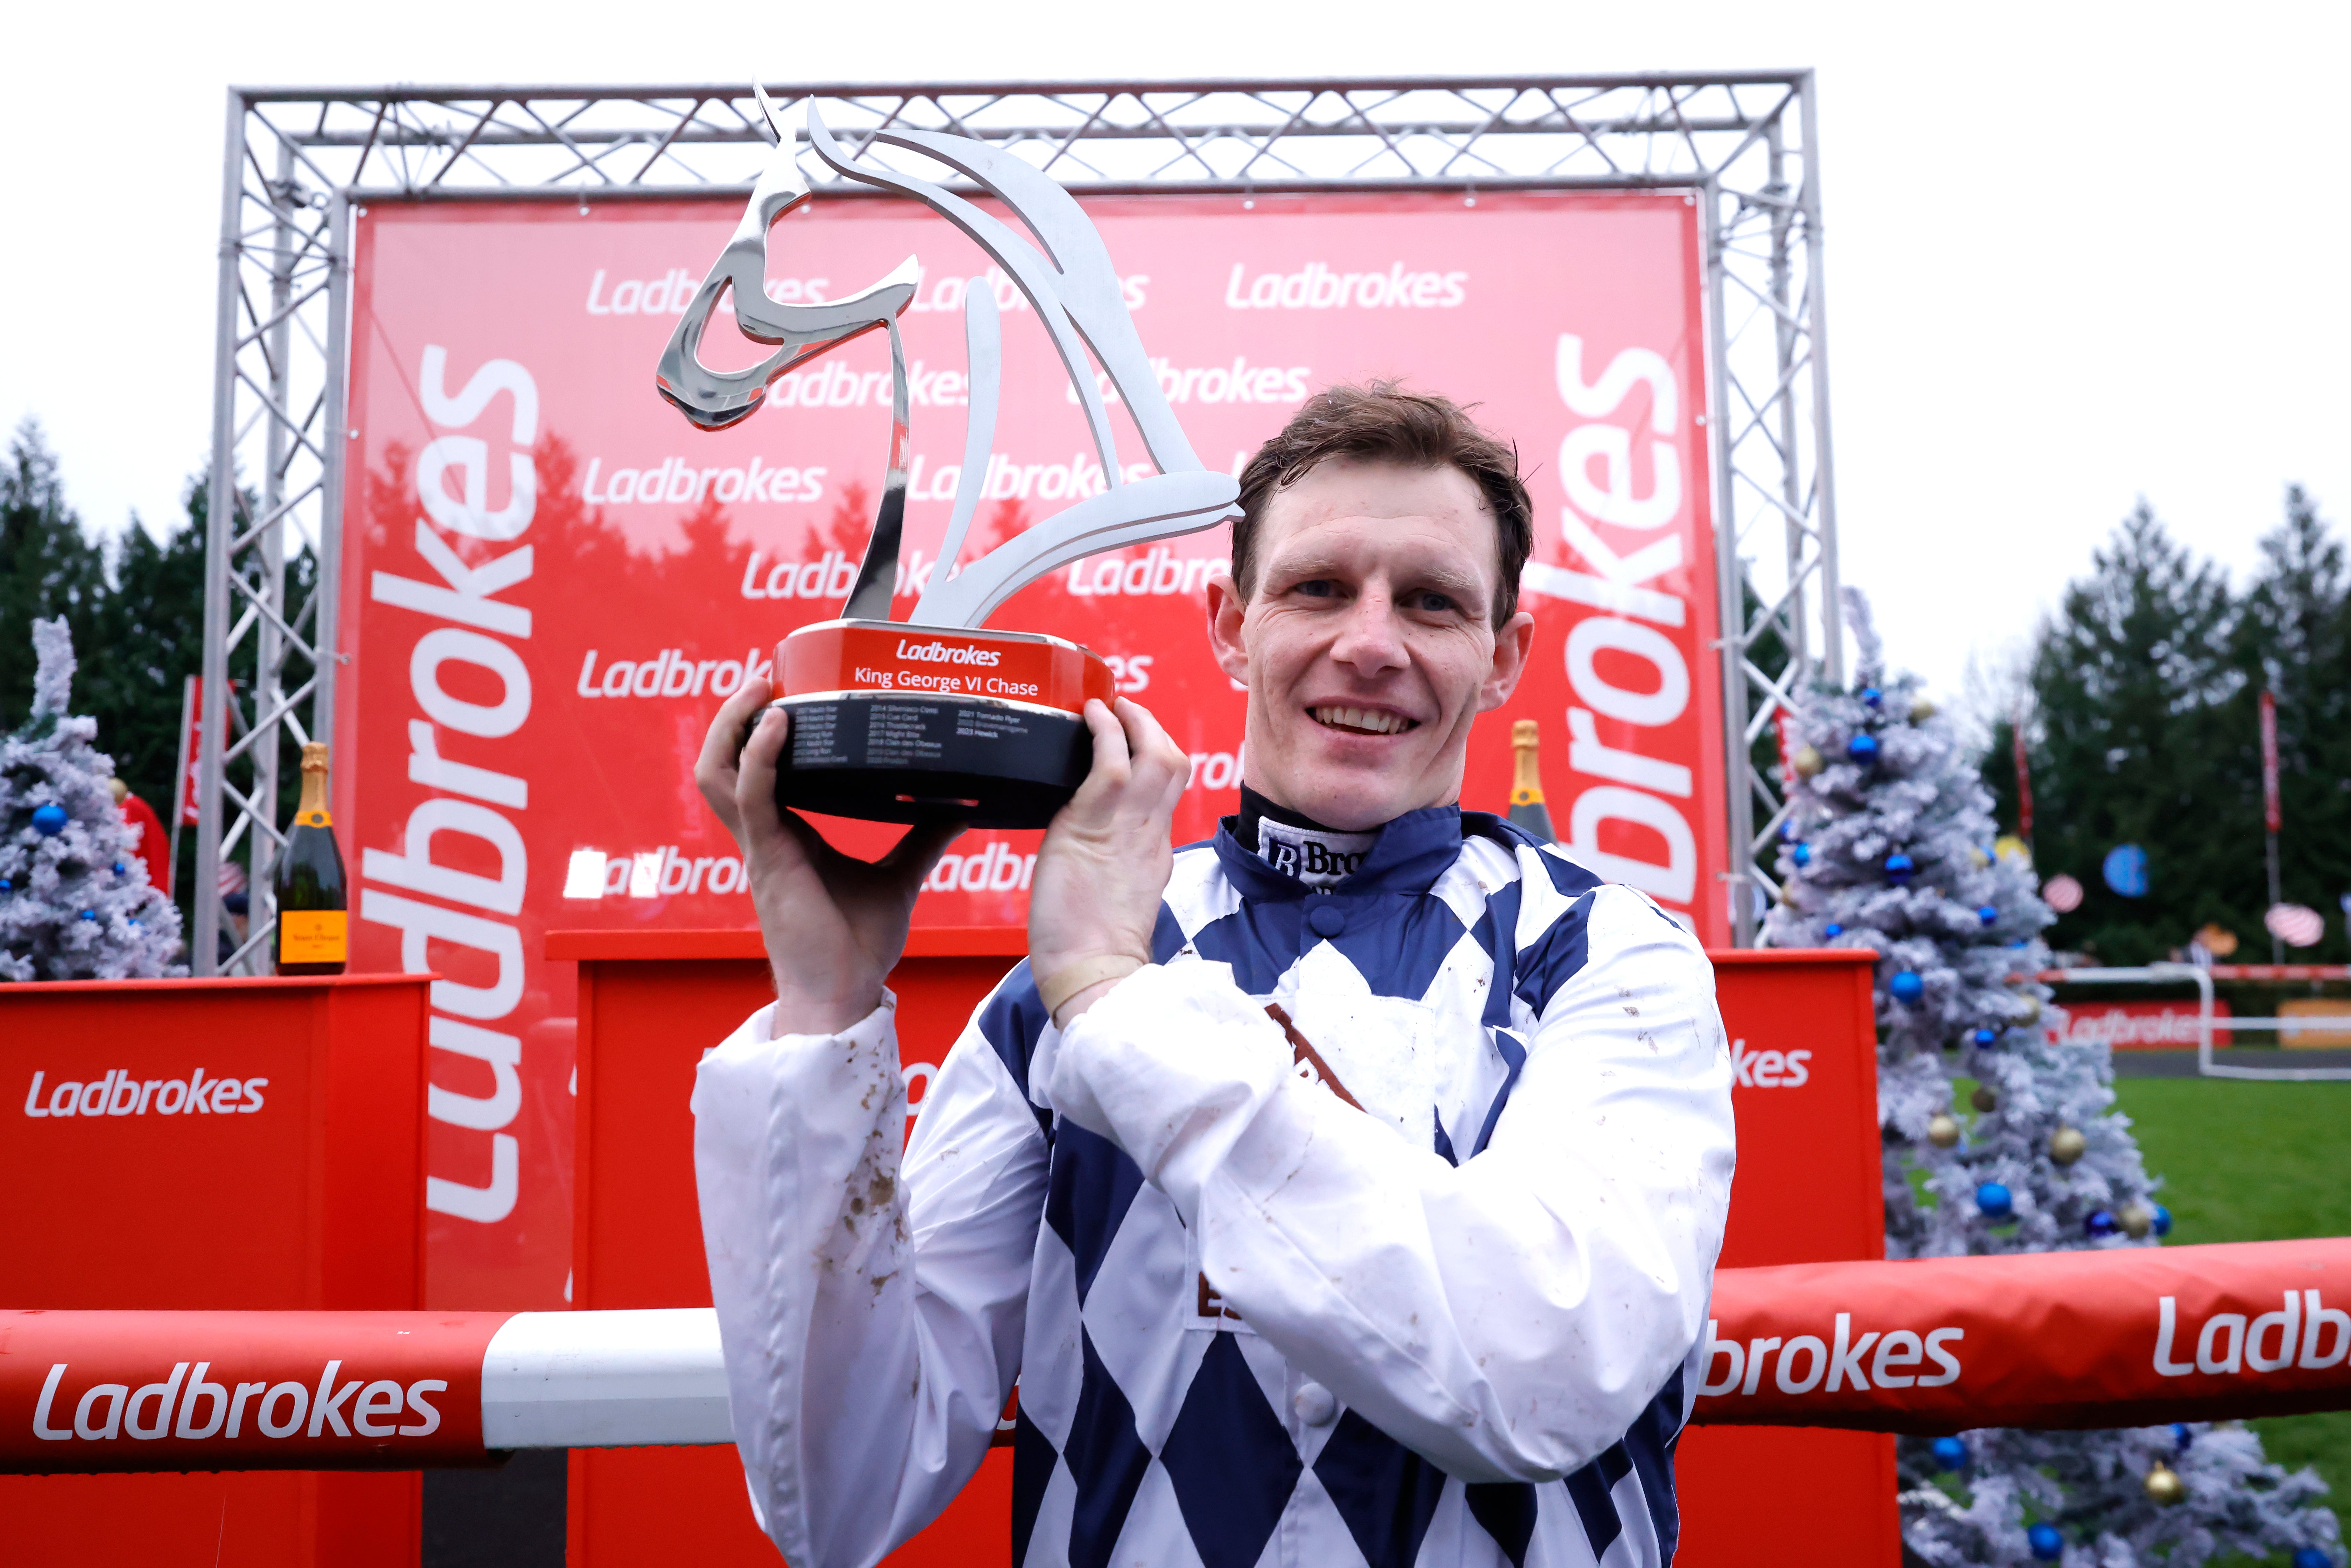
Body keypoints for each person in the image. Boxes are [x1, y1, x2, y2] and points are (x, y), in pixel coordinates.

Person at [692, 385, 1736, 1568]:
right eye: (1319, 588)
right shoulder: (1053, 996)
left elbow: (1537, 1370)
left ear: (1503, 656)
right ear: (1230, 623)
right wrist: (826, 1005)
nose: (1373, 643)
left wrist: (1120, 1007)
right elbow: (842, 1500)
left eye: (1433, 602)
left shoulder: (1612, 955)